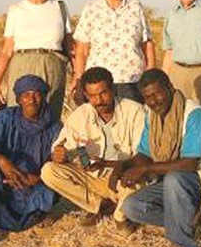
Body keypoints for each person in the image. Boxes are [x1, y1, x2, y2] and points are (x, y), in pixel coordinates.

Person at [120, 69, 201, 247]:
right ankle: (185, 219)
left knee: (174, 178)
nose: (153, 101)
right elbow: (144, 153)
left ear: (170, 88)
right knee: (132, 206)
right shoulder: (152, 116)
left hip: (200, 181)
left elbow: (189, 164)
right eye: (147, 98)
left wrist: (144, 170)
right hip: (174, 186)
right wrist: (122, 166)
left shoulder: (193, 114)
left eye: (157, 94)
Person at [40, 66, 145, 231]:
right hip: (94, 176)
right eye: (93, 96)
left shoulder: (135, 110)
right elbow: (63, 146)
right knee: (49, 171)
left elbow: (143, 154)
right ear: (86, 95)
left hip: (124, 176)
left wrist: (117, 167)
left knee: (136, 184)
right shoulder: (81, 114)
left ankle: (119, 215)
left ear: (113, 89)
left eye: (103, 93)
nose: (99, 100)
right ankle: (100, 205)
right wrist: (59, 154)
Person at [0, 74, 62, 247]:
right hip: (5, 183)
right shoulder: (6, 118)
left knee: (54, 182)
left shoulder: (54, 126)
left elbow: (58, 167)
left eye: (36, 94)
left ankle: (39, 215)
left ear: (43, 96)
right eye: (26, 95)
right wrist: (3, 162)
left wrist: (34, 179)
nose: (31, 99)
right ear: (19, 99)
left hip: (34, 185)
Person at [0, 0, 73, 121]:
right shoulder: (15, 10)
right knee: (18, 115)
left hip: (52, 65)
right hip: (22, 64)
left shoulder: (60, 7)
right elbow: (7, 50)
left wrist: (77, 77)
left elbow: (70, 47)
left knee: (49, 114)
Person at [71, 0, 155, 104]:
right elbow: (81, 51)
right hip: (98, 84)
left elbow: (147, 44)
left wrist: (151, 76)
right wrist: (79, 80)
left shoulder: (135, 7)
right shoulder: (91, 9)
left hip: (132, 81)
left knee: (132, 124)